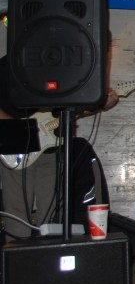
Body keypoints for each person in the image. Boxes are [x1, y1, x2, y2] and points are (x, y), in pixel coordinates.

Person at [0, 55, 117, 237]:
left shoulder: (65, 64)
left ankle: (49, 253)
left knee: (53, 218)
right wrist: (15, 127)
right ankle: (16, 254)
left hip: (53, 148)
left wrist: (101, 104)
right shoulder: (12, 61)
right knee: (16, 215)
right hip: (15, 146)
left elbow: (73, 108)